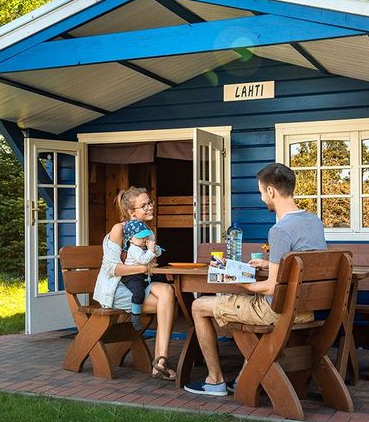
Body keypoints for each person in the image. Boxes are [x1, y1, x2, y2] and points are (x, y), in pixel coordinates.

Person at [184, 162, 327, 396]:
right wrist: (269, 262)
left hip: (277, 312)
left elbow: (271, 288)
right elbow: (300, 262)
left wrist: (244, 283)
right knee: (241, 302)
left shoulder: (280, 230)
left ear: (271, 191)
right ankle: (243, 379)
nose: (262, 198)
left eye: (261, 192)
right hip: (305, 309)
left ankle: (214, 380)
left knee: (198, 306)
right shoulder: (314, 222)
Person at [93, 186, 177, 380]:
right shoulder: (118, 230)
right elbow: (111, 269)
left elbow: (149, 261)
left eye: (150, 203)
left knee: (168, 291)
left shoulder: (148, 232)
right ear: (131, 212)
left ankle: (160, 361)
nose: (149, 207)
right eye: (144, 205)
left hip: (139, 284)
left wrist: (151, 259)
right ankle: (160, 363)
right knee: (168, 304)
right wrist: (142, 268)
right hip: (116, 289)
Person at [120, 219, 163, 331]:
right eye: (140, 237)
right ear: (131, 239)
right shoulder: (133, 249)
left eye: (145, 237)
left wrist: (155, 249)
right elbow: (143, 260)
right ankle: (135, 316)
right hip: (131, 276)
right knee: (138, 293)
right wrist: (151, 250)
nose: (144, 240)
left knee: (161, 279)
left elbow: (158, 253)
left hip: (143, 275)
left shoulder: (144, 247)